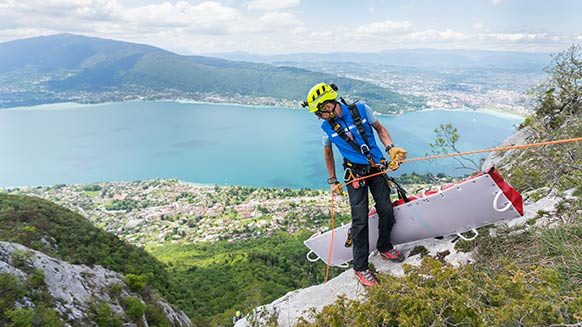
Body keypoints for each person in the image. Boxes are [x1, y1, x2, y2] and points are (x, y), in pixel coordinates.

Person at [302, 82, 408, 287]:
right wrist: (333, 180)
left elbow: (380, 129)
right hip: (355, 175)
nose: (318, 117)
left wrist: (391, 149)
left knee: (386, 209)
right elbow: (328, 153)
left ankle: (385, 247)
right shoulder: (326, 127)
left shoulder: (361, 110)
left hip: (376, 167)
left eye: (319, 112)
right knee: (359, 220)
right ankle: (360, 267)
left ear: (329, 105)